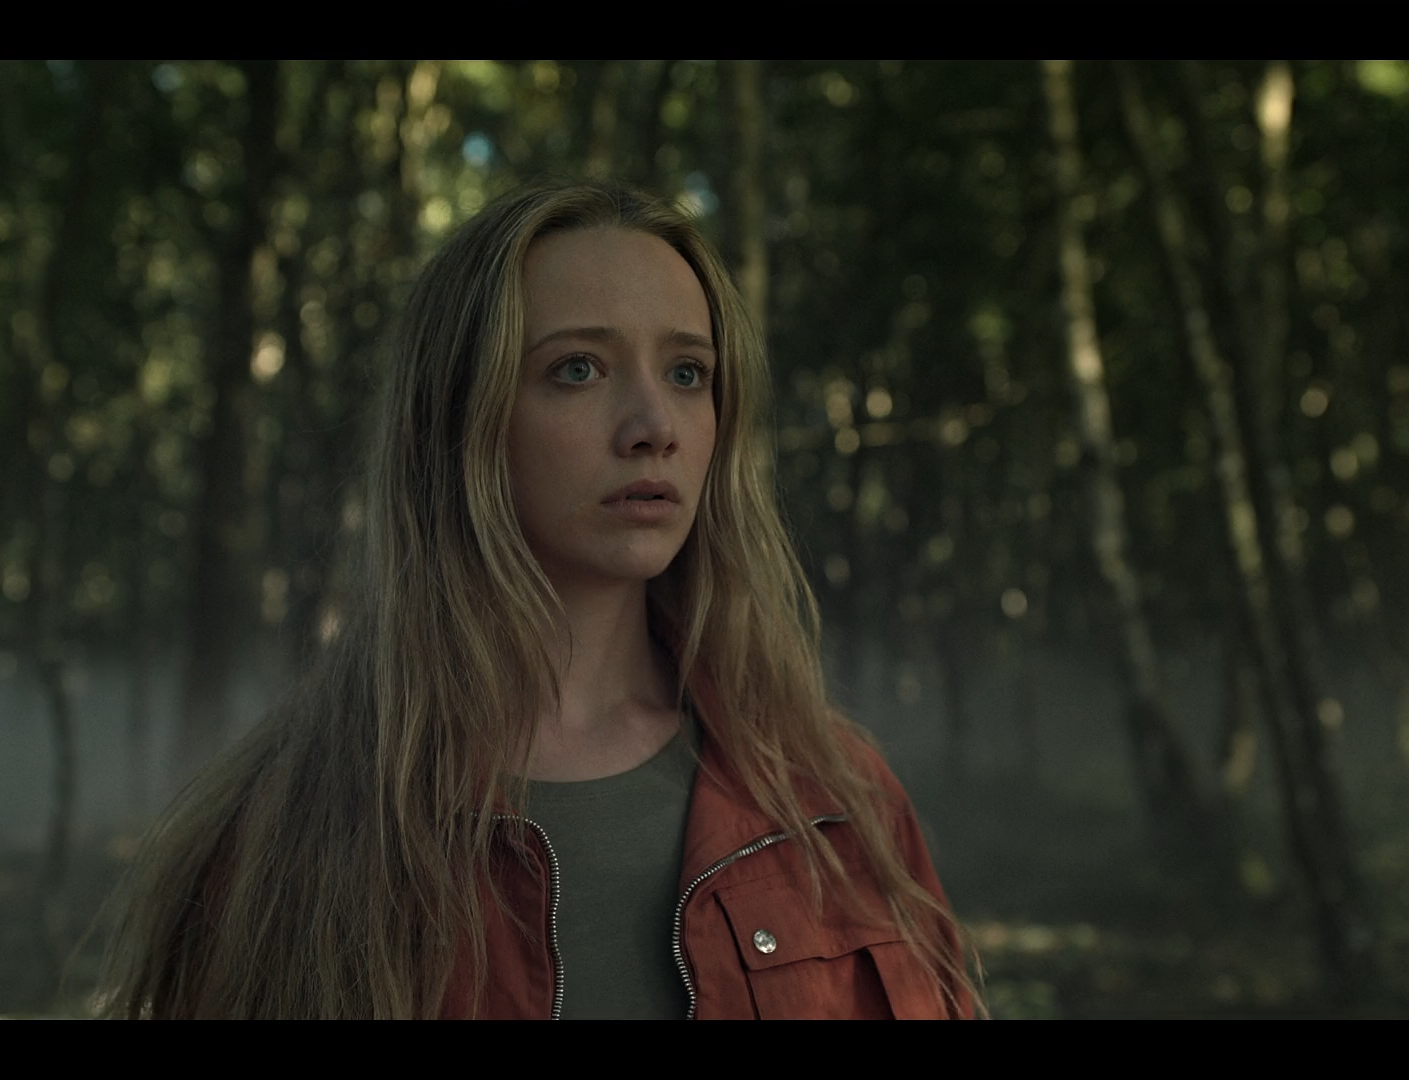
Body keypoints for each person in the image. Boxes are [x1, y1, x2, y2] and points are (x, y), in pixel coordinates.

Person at [99, 181, 979, 1019]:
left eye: (687, 373)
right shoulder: (284, 833)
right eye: (578, 369)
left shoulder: (834, 796)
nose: (654, 427)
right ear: (460, 417)